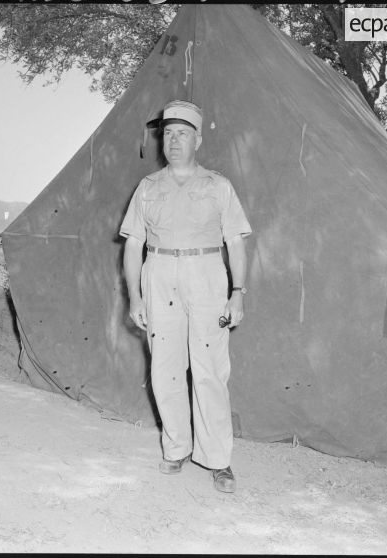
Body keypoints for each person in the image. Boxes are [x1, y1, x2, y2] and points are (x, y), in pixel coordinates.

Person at [119, 100, 252, 493]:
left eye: (182, 133)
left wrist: (238, 293)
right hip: (158, 275)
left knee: (210, 369)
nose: (174, 141)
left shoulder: (218, 185)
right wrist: (135, 297)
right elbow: (133, 246)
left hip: (207, 274)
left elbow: (236, 242)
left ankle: (218, 459)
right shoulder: (147, 187)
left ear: (198, 139)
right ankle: (175, 447)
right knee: (166, 367)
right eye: (168, 134)